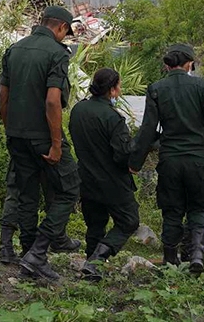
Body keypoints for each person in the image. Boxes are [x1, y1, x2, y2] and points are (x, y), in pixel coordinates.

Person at [131, 43, 204, 274]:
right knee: (198, 208)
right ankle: (197, 255)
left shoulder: (156, 88)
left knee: (172, 210)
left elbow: (147, 130)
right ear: (189, 64)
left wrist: (134, 163)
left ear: (167, 65)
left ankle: (169, 260)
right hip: (199, 160)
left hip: (170, 161)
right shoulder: (202, 87)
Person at [0, 6, 80, 282]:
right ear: (61, 28)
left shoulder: (15, 49)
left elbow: (3, 94)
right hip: (42, 136)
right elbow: (52, 100)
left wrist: (10, 128)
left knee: (27, 195)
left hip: (17, 135)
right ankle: (39, 252)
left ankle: (28, 253)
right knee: (70, 188)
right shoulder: (57, 53)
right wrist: (56, 144)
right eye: (65, 33)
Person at [69, 68, 142, 282]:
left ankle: (91, 269)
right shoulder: (113, 118)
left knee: (95, 225)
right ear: (112, 90)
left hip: (86, 177)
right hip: (113, 181)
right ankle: (98, 259)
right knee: (129, 221)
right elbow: (121, 155)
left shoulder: (78, 110)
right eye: (118, 86)